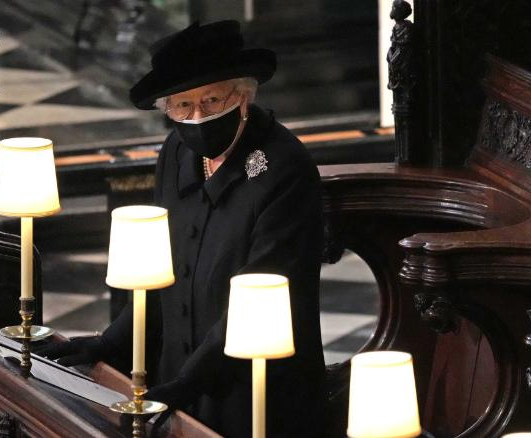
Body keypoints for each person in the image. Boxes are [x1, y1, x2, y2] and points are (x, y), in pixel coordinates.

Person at [39, 20, 326, 437]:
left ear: (243, 97)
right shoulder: (176, 153)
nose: (196, 117)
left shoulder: (284, 169)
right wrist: (108, 343)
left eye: (211, 101)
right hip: (174, 387)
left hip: (253, 395)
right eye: (181, 105)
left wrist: (189, 383)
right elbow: (160, 275)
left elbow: (262, 301)